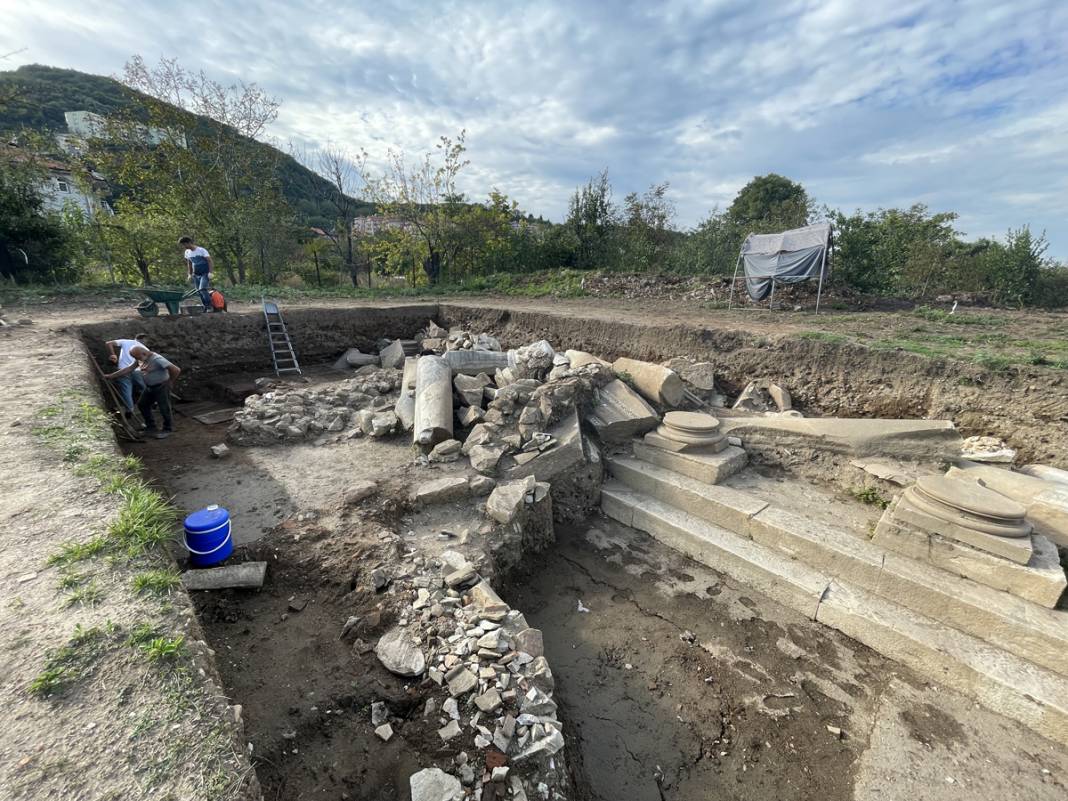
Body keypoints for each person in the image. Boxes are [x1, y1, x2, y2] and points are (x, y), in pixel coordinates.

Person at [103, 334, 150, 422]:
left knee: (126, 390)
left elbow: (108, 343)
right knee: (145, 387)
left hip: (122, 370)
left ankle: (129, 411)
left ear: (135, 338)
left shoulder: (126, 341)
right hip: (137, 371)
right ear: (143, 340)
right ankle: (152, 403)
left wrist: (113, 355)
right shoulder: (145, 349)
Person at [137, 350, 181, 439]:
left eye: (137, 357)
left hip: (161, 386)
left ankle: (168, 428)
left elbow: (176, 370)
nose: (136, 359)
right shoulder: (141, 358)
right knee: (142, 404)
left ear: (144, 353)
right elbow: (129, 368)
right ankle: (151, 427)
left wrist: (170, 381)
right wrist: (111, 376)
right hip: (150, 387)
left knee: (164, 407)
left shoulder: (157, 359)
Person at [179, 235, 214, 311]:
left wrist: (210, 272)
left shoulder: (201, 250)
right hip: (196, 274)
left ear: (189, 243)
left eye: (184, 244)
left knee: (202, 289)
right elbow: (189, 263)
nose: (184, 246)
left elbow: (209, 261)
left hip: (205, 273)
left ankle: (209, 306)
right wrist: (190, 274)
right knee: (198, 291)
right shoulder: (187, 252)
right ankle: (205, 307)